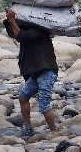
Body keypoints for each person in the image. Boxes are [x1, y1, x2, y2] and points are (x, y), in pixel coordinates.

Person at [4, 8, 59, 137]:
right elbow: (13, 33)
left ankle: (55, 132)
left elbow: (20, 37)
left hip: (46, 72)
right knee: (23, 97)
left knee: (44, 105)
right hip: (36, 73)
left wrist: (12, 19)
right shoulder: (30, 29)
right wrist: (9, 20)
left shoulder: (39, 30)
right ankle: (28, 127)